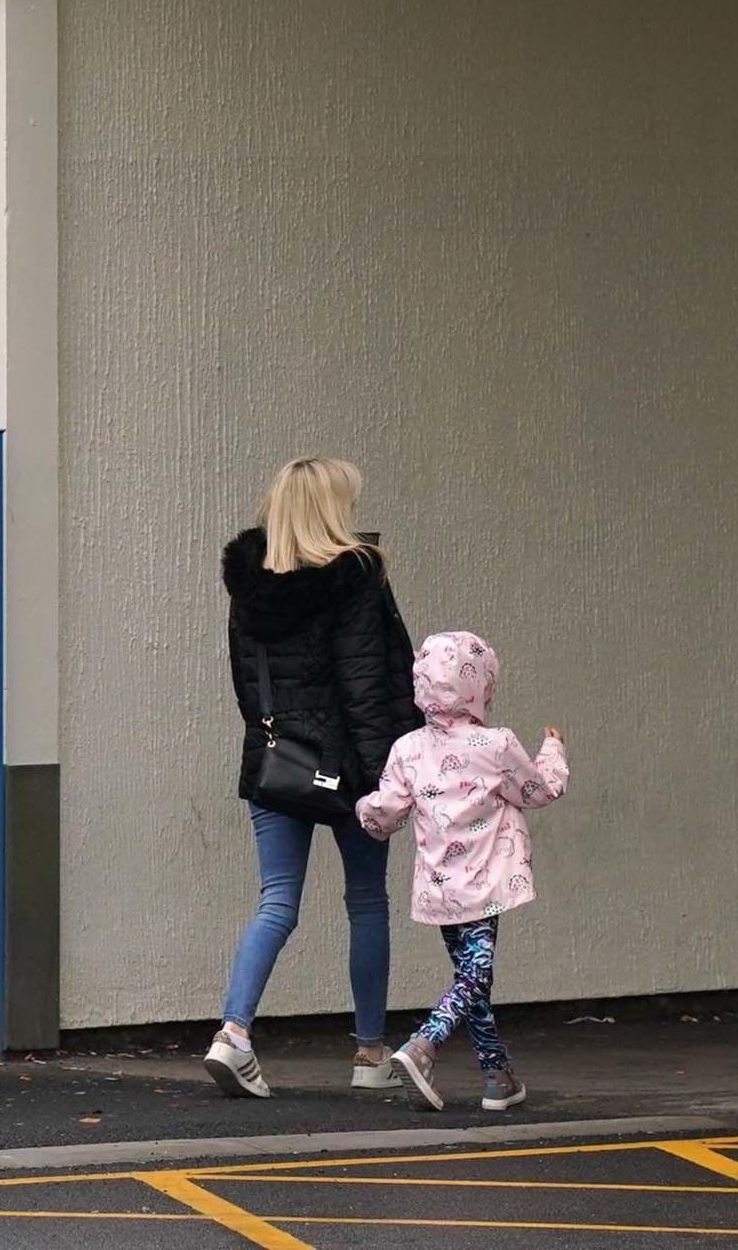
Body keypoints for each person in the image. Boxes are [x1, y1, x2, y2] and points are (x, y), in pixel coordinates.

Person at [203, 457, 418, 1099]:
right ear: (330, 509)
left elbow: (246, 684)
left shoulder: (249, 586)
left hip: (278, 763)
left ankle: (234, 1035)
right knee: (367, 901)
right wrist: (389, 778)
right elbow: (366, 688)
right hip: (350, 768)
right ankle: (370, 1053)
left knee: (276, 899)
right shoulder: (356, 577)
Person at [356, 630, 570, 1113]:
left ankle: (498, 1076)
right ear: (481, 686)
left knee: (472, 977)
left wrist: (358, 805)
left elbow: (384, 815)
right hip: (486, 882)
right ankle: (424, 1043)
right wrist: (553, 750)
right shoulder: (494, 744)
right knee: (475, 973)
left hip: (439, 886)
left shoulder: (406, 749)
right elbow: (537, 791)